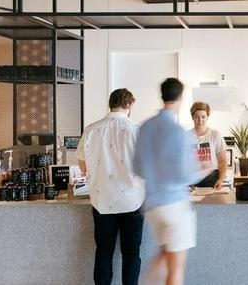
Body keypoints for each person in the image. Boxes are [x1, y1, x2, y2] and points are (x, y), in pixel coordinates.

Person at [134, 78, 200, 285]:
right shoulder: (177, 131)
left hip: (153, 206)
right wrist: (202, 169)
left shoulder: (145, 127)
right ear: (180, 97)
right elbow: (186, 174)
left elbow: (137, 168)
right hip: (174, 206)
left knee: (165, 254)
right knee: (176, 269)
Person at [77, 88, 145, 285]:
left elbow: (82, 165)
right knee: (131, 253)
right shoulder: (137, 130)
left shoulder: (91, 129)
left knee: (104, 252)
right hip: (132, 201)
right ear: (131, 104)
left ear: (110, 104)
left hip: (102, 200)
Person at [189, 101, 228, 189]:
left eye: (203, 117)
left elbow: (222, 161)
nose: (200, 120)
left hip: (212, 180)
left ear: (207, 117)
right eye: (197, 117)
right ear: (192, 117)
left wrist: (220, 180)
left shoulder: (215, 135)